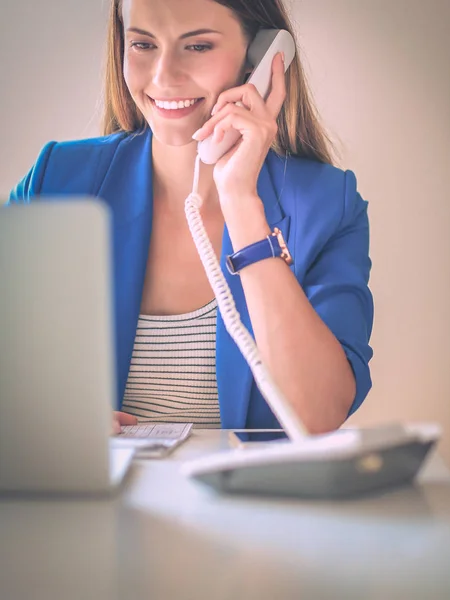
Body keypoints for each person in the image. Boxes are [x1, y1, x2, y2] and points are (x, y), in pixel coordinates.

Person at [8, 0, 374, 435]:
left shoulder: (328, 204)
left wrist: (241, 203)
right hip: (95, 500)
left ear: (262, 57)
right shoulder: (57, 180)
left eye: (197, 46)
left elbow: (318, 417)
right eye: (143, 43)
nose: (163, 76)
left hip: (249, 503)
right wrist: (37, 413)